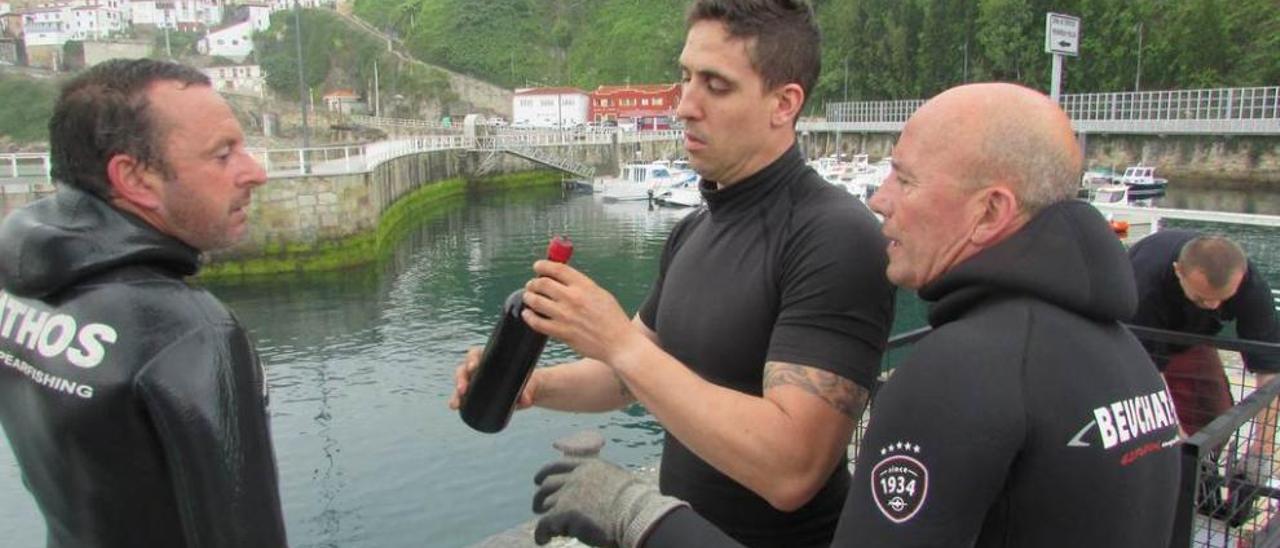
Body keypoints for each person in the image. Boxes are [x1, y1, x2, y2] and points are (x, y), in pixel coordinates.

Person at [527, 83, 1184, 547]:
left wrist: (636, 513)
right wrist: (536, 384)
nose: (879, 199)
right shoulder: (1125, 360)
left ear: (990, 211)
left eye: (905, 177)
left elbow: (791, 468)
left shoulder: (962, 375)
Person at [451, 0, 894, 546]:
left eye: (716, 84)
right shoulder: (695, 229)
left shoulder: (834, 236)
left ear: (784, 103)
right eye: (685, 77)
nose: (684, 105)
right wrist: (531, 385)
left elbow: (792, 469)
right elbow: (623, 378)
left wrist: (616, 341)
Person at [0, 59, 286, 547]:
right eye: (223, 154)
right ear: (134, 179)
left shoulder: (17, 287)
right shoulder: (188, 333)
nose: (255, 172)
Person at [1128, 231, 1280, 479]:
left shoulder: (1250, 286)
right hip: (1136, 337)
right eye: (1201, 298)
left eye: (1223, 300)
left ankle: (1200, 475)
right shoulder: (1147, 282)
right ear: (1179, 272)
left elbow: (1270, 371)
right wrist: (1174, 436)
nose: (1213, 306)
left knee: (1214, 414)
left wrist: (1262, 449)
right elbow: (1147, 370)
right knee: (1152, 433)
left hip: (1192, 339)